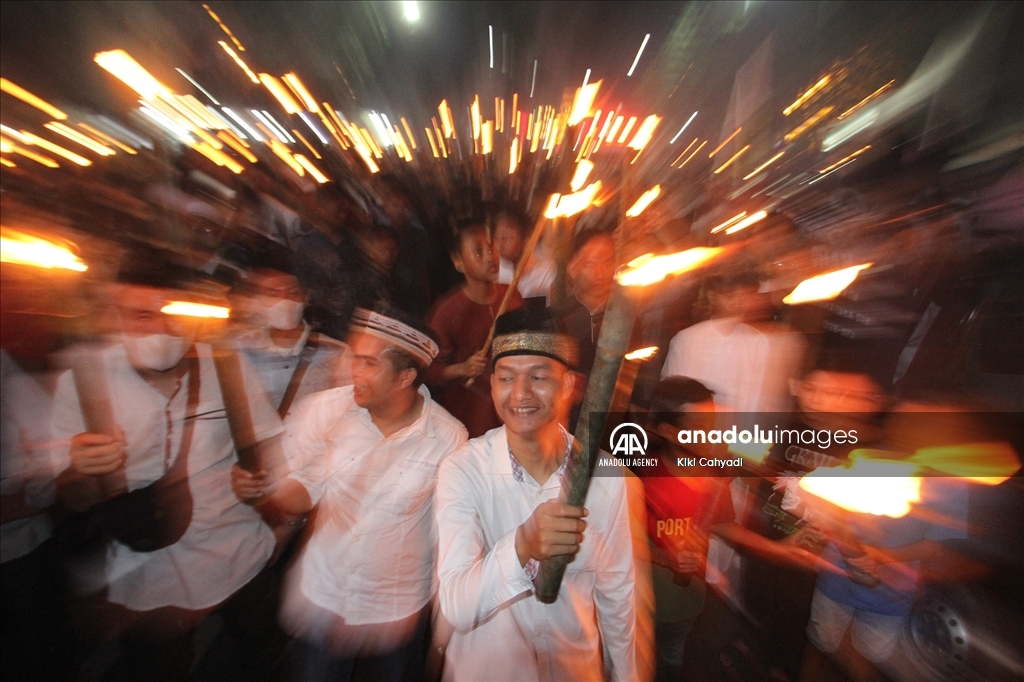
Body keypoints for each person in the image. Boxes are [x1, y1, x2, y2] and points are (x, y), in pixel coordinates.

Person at [51, 259, 283, 681]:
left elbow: (267, 451)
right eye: (142, 315)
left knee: (263, 658)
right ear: (115, 317)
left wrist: (257, 483)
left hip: (236, 557)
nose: (160, 328)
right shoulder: (83, 383)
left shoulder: (229, 369)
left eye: (173, 315)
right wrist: (81, 472)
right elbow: (67, 496)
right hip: (147, 577)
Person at [232, 306, 467, 682]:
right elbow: (300, 494)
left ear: (405, 377)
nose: (351, 370)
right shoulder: (324, 411)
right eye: (353, 357)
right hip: (324, 598)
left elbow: (448, 535)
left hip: (394, 612)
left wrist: (445, 629)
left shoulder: (448, 438)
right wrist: (262, 493)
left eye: (367, 363)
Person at [435, 308, 646, 681]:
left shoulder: (608, 478)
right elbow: (457, 605)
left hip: (573, 669)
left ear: (569, 386)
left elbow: (619, 595)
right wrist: (521, 545)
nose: (520, 393)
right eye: (506, 377)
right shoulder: (463, 470)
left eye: (538, 376)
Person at [741, 356, 887, 681]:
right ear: (798, 389)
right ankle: (763, 661)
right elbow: (761, 474)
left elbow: (861, 511)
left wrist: (828, 539)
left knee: (798, 622)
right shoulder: (784, 426)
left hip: (815, 555)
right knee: (761, 605)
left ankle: (781, 668)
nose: (818, 398)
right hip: (771, 538)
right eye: (811, 388)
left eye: (829, 391)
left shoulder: (855, 444)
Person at [426, 220, 523, 438]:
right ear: (458, 262)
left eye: (491, 248)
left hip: (512, 402)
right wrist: (462, 369)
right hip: (472, 411)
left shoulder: (512, 295)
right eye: (479, 252)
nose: (490, 257)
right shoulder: (447, 312)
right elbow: (429, 371)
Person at [661, 272, 804, 413]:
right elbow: (673, 391)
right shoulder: (688, 339)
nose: (737, 303)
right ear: (713, 296)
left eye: (743, 296)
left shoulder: (759, 342)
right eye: (729, 296)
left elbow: (757, 399)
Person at [241, 266, 352, 419]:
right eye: (273, 293)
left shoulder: (335, 353)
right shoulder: (242, 349)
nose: (284, 301)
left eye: (293, 293)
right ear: (258, 300)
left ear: (305, 298)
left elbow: (349, 411)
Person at [495, 208, 554, 305]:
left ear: (526, 238)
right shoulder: (494, 272)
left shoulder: (546, 273)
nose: (500, 246)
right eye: (497, 238)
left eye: (507, 238)